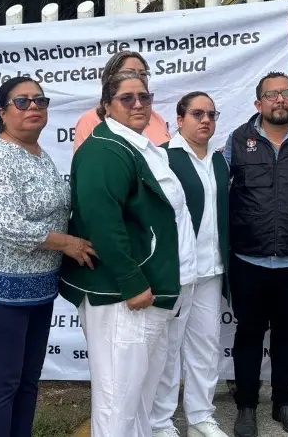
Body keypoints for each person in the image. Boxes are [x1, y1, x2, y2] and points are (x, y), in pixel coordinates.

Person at [0, 77, 97, 437]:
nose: (33, 107)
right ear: (3, 113)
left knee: (28, 381)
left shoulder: (39, 154)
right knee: (3, 385)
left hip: (36, 291)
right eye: (22, 102)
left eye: (40, 101)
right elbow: (8, 227)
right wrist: (67, 243)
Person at [59, 71, 198, 437]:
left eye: (144, 97)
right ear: (107, 105)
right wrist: (132, 282)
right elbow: (102, 223)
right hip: (124, 296)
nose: (138, 104)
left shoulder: (139, 145)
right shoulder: (104, 151)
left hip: (152, 291)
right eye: (127, 98)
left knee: (139, 397)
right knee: (117, 400)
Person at [225, 72, 288, 437]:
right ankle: (246, 406)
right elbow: (213, 185)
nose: (279, 99)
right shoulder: (237, 140)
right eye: (271, 94)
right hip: (248, 259)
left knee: (287, 333)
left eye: (285, 93)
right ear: (258, 104)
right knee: (248, 334)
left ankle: (284, 403)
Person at [151, 92, 231, 437]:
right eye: (198, 114)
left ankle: (200, 417)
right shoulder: (163, 157)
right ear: (180, 119)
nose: (206, 120)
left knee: (206, 347)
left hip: (211, 270)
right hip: (177, 271)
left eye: (211, 114)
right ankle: (160, 423)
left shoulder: (219, 161)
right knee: (168, 350)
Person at [73, 51, 171, 150]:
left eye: (143, 74)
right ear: (111, 79)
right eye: (129, 73)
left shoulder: (156, 118)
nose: (137, 78)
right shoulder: (90, 122)